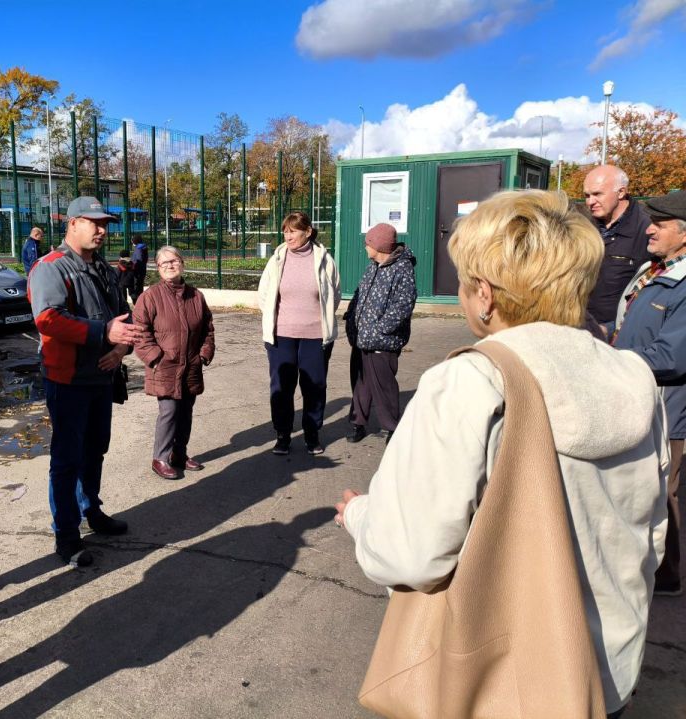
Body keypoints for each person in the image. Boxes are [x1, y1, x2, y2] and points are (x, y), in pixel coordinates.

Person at [335, 189, 668, 718]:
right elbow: (652, 528)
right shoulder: (633, 375)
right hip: (611, 668)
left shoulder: (470, 380)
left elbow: (410, 554)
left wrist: (358, 514)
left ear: (485, 295)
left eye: (467, 283)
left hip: (504, 684)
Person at [27, 195, 142, 567]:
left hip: (101, 377)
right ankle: (66, 534)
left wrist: (121, 351)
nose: (103, 230)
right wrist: (102, 334)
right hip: (68, 380)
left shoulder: (106, 271)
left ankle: (91, 509)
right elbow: (47, 319)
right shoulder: (51, 268)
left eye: (105, 223)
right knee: (66, 459)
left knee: (95, 450)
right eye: (95, 222)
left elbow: (122, 320)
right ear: (72, 223)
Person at [611, 190, 686, 597]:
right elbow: (628, 327)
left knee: (663, 490)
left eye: (659, 224)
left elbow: (672, 356)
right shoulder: (652, 270)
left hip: (668, 408)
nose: (649, 229)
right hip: (635, 394)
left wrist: (610, 362)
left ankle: (666, 575)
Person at [258, 211, 341, 455]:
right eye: (285, 230)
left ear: (308, 231)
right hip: (281, 335)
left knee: (314, 386)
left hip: (316, 336)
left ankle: (312, 434)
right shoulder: (276, 259)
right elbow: (264, 295)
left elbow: (334, 294)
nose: (288, 235)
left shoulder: (324, 259)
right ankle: (282, 434)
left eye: (293, 230)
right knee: (282, 387)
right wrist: (277, 320)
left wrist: (318, 320)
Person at [132, 246, 216, 480]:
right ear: (157, 268)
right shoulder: (149, 297)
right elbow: (140, 332)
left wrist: (204, 354)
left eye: (174, 261)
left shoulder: (196, 296)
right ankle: (160, 457)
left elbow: (207, 329)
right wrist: (155, 358)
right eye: (164, 263)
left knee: (186, 412)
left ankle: (179, 454)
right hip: (165, 365)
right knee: (169, 412)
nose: (170, 265)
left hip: (191, 364)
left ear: (182, 263)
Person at [344, 223, 416, 443]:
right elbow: (359, 294)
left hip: (382, 342)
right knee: (360, 384)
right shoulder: (373, 266)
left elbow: (403, 305)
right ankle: (358, 423)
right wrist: (350, 316)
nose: (365, 247)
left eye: (368, 243)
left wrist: (380, 330)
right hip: (361, 338)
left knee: (384, 387)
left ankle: (393, 428)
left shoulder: (402, 269)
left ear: (379, 246)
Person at [584, 165, 652, 323]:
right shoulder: (583, 224)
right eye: (586, 195)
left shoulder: (648, 229)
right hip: (580, 324)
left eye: (597, 194)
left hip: (618, 331)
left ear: (621, 192)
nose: (590, 202)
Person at [129, 233, 149, 303]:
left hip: (137, 271)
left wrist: (133, 265)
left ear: (135, 241)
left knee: (136, 287)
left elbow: (138, 259)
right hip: (142, 269)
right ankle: (140, 301)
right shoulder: (143, 247)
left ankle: (137, 302)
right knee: (140, 286)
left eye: (132, 241)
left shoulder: (138, 249)